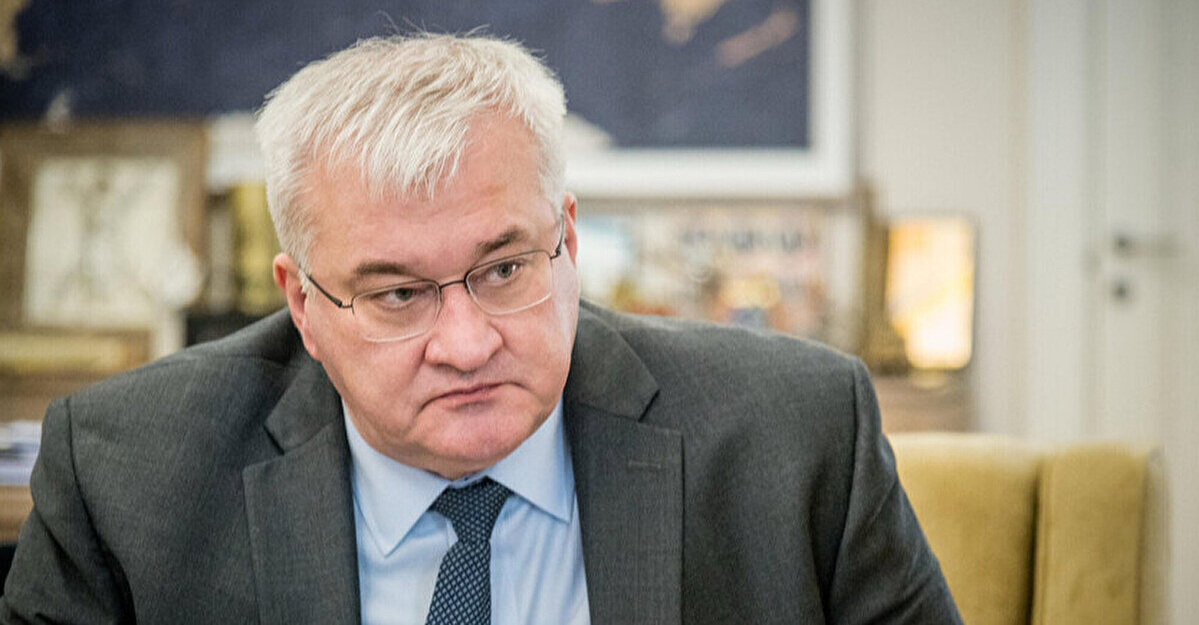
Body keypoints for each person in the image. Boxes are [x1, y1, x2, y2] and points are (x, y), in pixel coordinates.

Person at [0, 34, 961, 623]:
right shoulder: (128, 477)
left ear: (567, 241)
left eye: (503, 271)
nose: (466, 344)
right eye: (395, 295)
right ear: (303, 305)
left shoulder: (795, 436)